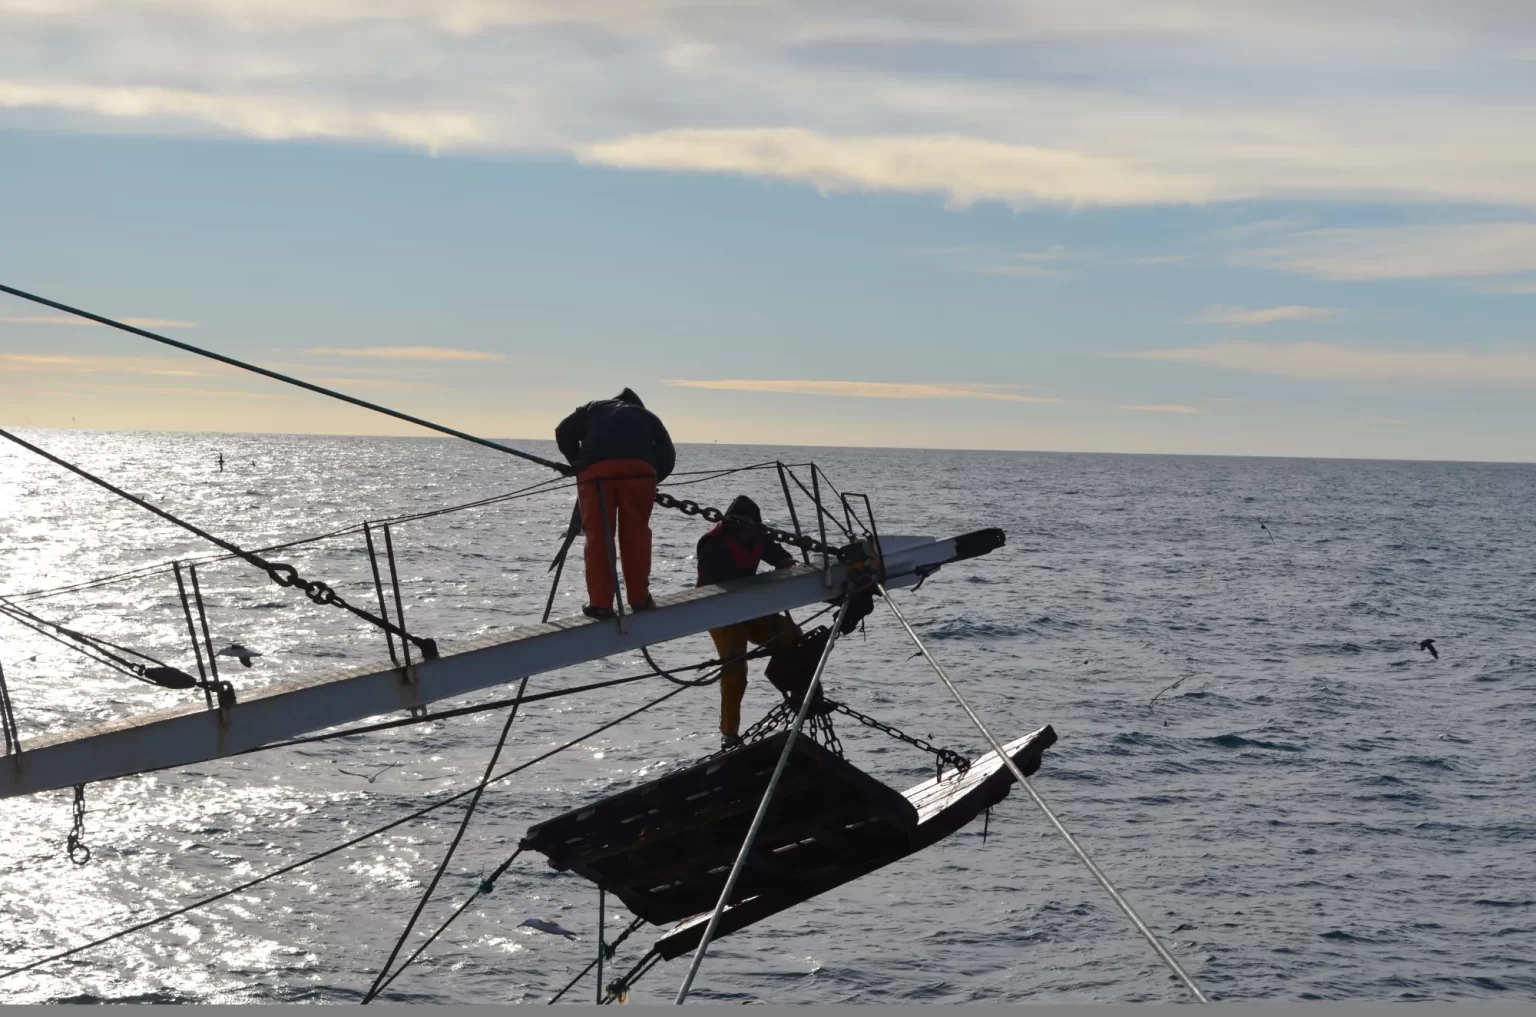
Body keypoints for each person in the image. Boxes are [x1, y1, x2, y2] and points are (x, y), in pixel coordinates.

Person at [555, 388, 675, 619]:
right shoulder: (648, 416)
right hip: (640, 474)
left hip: (595, 474)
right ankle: (640, 600)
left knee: (599, 537)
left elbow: (563, 431)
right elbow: (668, 455)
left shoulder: (592, 408)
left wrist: (578, 463)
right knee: (636, 536)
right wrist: (653, 480)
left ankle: (601, 605)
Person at [697, 495, 800, 750]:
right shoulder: (712, 543)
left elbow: (779, 555)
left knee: (790, 634)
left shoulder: (759, 537)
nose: (745, 528)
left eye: (749, 523)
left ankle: (800, 691)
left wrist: (784, 563)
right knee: (735, 670)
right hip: (721, 616)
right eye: (740, 522)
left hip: (752, 610)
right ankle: (729, 733)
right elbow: (713, 585)